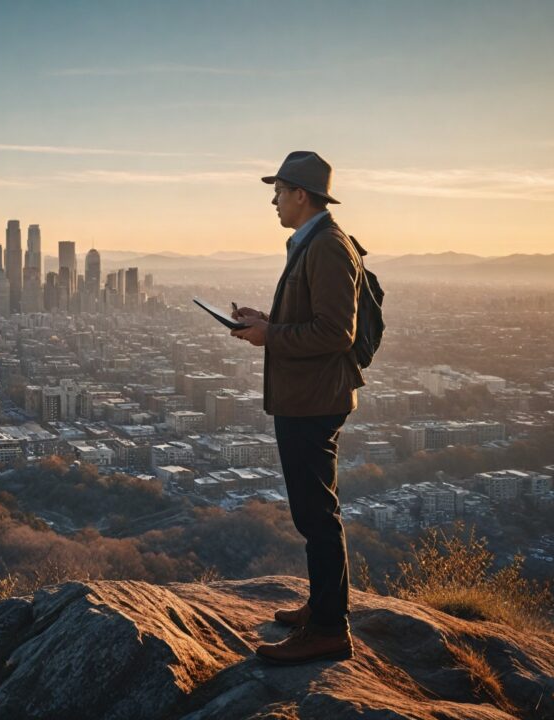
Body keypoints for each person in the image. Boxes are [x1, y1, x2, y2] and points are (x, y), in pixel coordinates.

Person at [231, 150, 364, 665]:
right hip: (306, 396)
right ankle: (323, 608)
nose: (274, 200)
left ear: (301, 195)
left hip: (313, 400)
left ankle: (330, 629)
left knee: (317, 515)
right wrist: (267, 320)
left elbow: (336, 331)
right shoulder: (311, 242)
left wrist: (271, 334)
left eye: (280, 191)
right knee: (314, 513)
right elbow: (312, 318)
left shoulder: (327, 246)